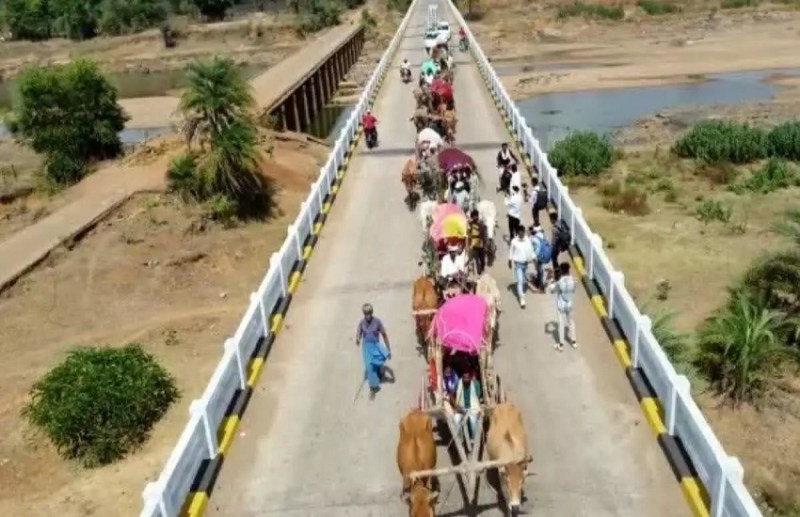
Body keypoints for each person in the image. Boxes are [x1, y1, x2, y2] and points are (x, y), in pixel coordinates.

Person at [355, 303, 392, 398]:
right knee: (369, 366)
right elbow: (359, 332)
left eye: (369, 313)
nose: (368, 316)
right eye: (366, 313)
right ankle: (374, 387)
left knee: (377, 362)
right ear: (363, 314)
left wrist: (388, 349)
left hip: (375, 345)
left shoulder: (377, 322)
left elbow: (384, 335)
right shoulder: (362, 323)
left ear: (372, 312)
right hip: (367, 348)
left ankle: (379, 370)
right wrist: (358, 339)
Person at [547, 262, 578, 351]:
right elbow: (573, 290)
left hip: (561, 305)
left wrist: (550, 280)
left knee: (561, 324)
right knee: (571, 322)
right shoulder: (573, 280)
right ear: (568, 270)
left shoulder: (560, 282)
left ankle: (561, 344)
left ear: (561, 270)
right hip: (570, 304)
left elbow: (552, 290)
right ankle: (574, 342)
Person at [508, 225, 534, 308]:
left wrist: (533, 259)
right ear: (517, 233)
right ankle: (522, 299)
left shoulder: (527, 240)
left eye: (523, 232)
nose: (522, 234)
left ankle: (521, 290)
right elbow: (511, 251)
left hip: (525, 264)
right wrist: (509, 260)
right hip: (518, 264)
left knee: (523, 280)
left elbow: (531, 250)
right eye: (520, 232)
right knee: (519, 281)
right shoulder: (514, 241)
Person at [454, 370, 482, 449]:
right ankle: (460, 440)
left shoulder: (475, 384)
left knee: (473, 421)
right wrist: (456, 405)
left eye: (468, 378)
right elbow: (451, 395)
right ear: (462, 378)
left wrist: (478, 410)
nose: (466, 379)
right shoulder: (458, 383)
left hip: (473, 408)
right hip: (461, 408)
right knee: (456, 420)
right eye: (464, 378)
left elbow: (477, 398)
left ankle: (473, 440)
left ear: (470, 378)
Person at [530, 225, 552, 290]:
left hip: (540, 256)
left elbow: (534, 249)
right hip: (546, 255)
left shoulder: (534, 239)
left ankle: (540, 284)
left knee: (539, 269)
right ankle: (539, 281)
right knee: (540, 268)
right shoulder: (544, 236)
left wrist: (533, 258)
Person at [467, 209, 488, 275]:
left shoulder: (481, 224)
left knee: (482, 259)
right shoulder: (470, 224)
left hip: (481, 244)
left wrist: (485, 245)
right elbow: (468, 234)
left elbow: (484, 235)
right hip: (474, 245)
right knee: (476, 259)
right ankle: (479, 272)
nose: (475, 217)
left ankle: (482, 268)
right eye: (473, 216)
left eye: (476, 216)